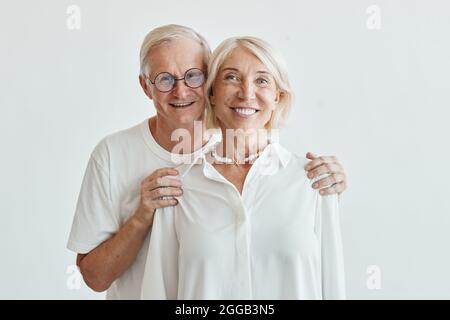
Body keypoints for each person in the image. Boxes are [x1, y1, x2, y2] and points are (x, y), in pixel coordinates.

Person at [67, 24, 348, 300]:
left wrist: (330, 181)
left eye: (193, 76)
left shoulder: (296, 175)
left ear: (208, 84)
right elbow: (96, 277)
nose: (181, 92)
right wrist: (142, 215)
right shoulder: (125, 161)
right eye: (165, 79)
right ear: (145, 86)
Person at [141, 36, 345, 299]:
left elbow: (332, 284)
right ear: (211, 93)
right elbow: (159, 291)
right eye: (232, 78)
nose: (247, 93)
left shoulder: (314, 181)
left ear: (277, 97)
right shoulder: (178, 187)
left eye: (262, 80)